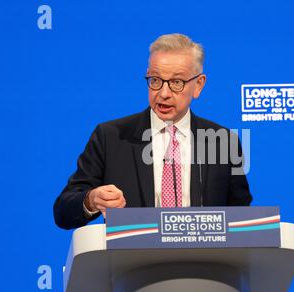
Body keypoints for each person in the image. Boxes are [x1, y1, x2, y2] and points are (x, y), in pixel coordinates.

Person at [53, 33, 252, 230]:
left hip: (202, 260)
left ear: (198, 85)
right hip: (132, 260)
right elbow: (63, 211)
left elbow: (242, 219)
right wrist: (91, 200)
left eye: (176, 83)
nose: (163, 94)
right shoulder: (110, 137)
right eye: (155, 80)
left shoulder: (223, 142)